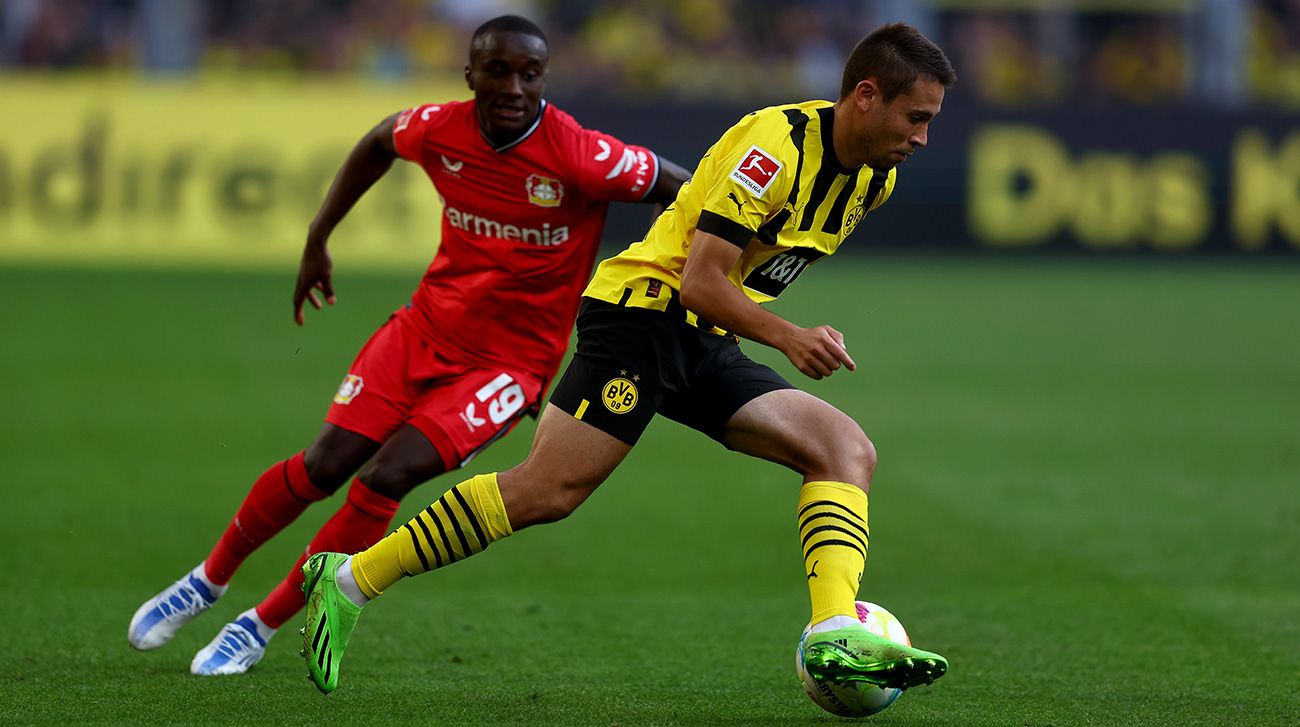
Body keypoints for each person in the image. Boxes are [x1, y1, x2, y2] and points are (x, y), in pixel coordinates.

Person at [301, 22, 957, 696]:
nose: (922, 137)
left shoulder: (873, 183)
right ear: (867, 96)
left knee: (844, 448)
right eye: (916, 118)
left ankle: (833, 636)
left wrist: (760, 330)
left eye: (930, 122)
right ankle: (347, 579)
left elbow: (738, 283)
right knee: (545, 491)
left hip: (704, 335)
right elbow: (699, 278)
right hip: (641, 314)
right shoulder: (775, 147)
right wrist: (788, 336)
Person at [127, 14, 690, 676]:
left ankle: (258, 624)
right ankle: (208, 579)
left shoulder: (579, 155)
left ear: (544, 78)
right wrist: (319, 235)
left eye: (529, 74)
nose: (514, 87)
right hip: (423, 329)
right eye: (498, 71)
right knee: (323, 463)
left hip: (510, 365)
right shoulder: (439, 129)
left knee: (387, 473)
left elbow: (680, 188)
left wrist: (660, 276)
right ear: (470, 75)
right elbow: (376, 141)